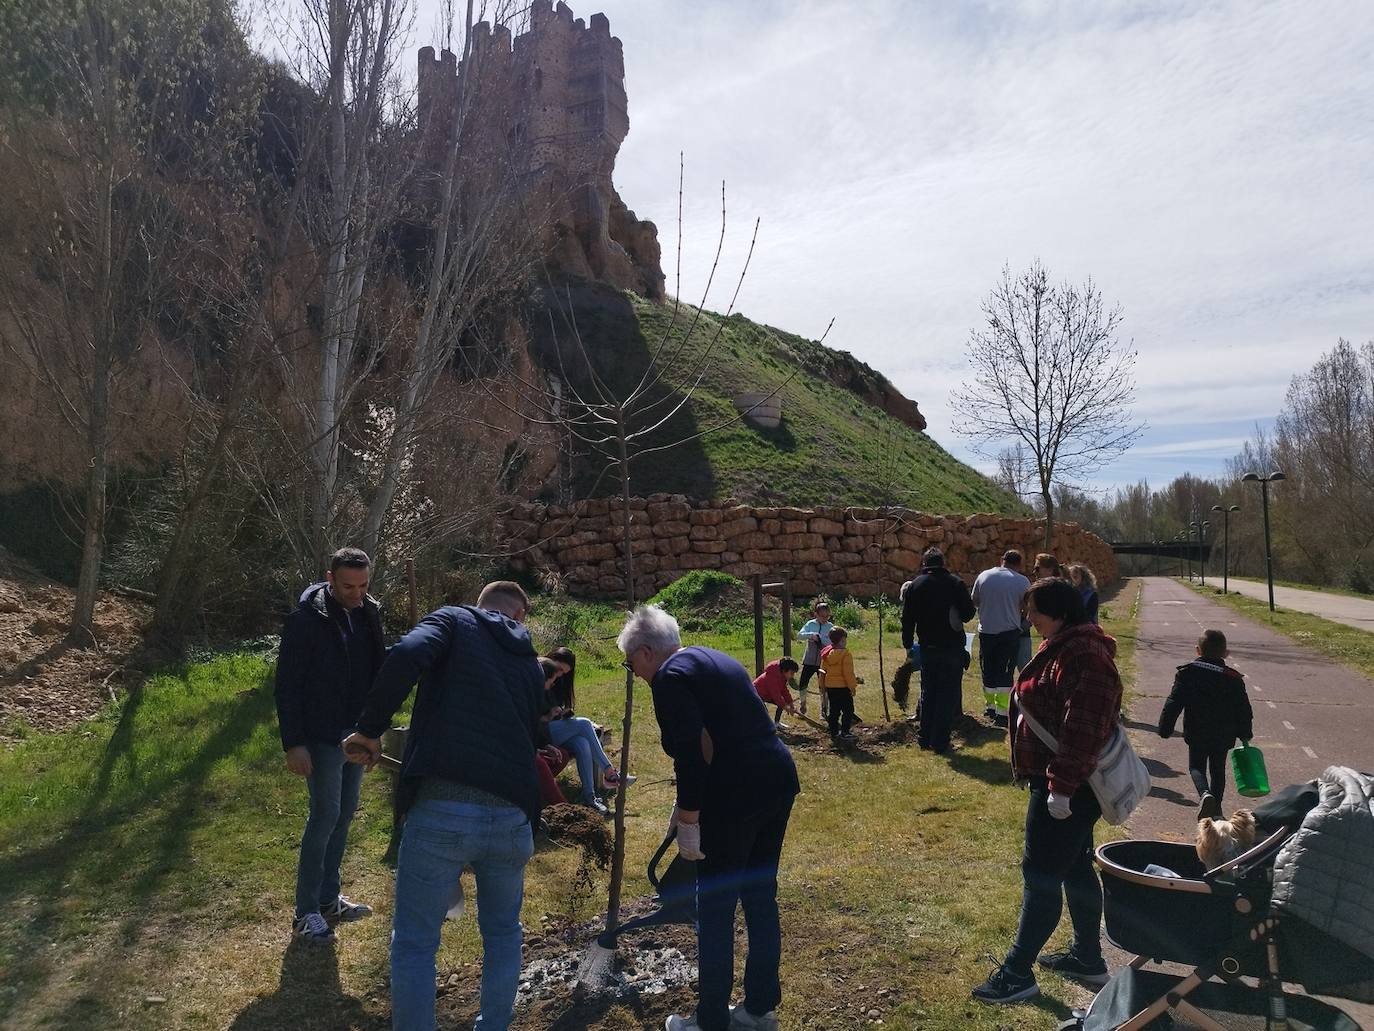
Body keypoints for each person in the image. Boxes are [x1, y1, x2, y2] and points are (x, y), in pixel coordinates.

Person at [341, 581, 545, 1031]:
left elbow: (408, 653)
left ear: (482, 605)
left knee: (415, 943)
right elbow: (537, 735)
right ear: (518, 616)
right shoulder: (529, 661)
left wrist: (370, 728)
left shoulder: (453, 620)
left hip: (443, 810)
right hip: (512, 817)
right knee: (503, 933)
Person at [618, 605, 800, 1031]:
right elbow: (711, 739)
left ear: (646, 653)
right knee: (759, 896)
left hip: (736, 795)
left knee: (715, 908)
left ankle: (711, 1020)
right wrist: (684, 806)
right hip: (776, 780)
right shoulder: (712, 658)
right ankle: (758, 1010)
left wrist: (689, 820)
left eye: (631, 666)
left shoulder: (669, 679)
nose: (636, 675)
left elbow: (691, 754)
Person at [973, 578, 1122, 1004]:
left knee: (1039, 877)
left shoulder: (1086, 656)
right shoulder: (1064, 643)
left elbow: (1082, 729)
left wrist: (1060, 788)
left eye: (1034, 609)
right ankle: (1088, 959)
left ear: (1058, 610)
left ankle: (1017, 974)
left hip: (1067, 787)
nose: (1028, 617)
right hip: (1065, 782)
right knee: (1075, 868)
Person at [273, 546, 384, 943]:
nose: (357, 593)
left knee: (345, 815)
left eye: (363, 585)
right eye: (348, 586)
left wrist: (373, 731)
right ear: (330, 578)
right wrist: (294, 743)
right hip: (320, 737)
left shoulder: (370, 612)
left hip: (358, 733)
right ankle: (305, 914)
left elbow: (377, 675)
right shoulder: (305, 620)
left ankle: (327, 898)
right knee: (325, 816)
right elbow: (287, 686)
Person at [1157, 629, 1253, 814]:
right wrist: (1245, 732)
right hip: (1224, 733)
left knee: (1196, 766)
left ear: (1198, 650)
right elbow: (1243, 708)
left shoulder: (1188, 673)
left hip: (1197, 729)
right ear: (1225, 653)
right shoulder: (1233, 679)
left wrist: (1165, 728)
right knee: (1218, 769)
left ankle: (1204, 794)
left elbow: (1174, 702)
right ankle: (1216, 808)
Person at [901, 547, 976, 754]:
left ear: (924, 564)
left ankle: (924, 738)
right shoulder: (955, 583)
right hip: (951, 646)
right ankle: (941, 741)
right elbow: (969, 613)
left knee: (928, 691)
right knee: (946, 694)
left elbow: (907, 618)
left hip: (927, 646)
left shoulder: (916, 585)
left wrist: (908, 644)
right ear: (943, 563)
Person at [538, 654, 632, 815]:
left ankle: (590, 798)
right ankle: (609, 773)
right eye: (559, 670)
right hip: (541, 734)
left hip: (550, 729)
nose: (560, 675)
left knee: (582, 742)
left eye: (564, 673)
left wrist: (559, 713)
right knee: (584, 724)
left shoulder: (555, 682)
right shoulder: (536, 681)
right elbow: (532, 718)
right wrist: (549, 715)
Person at [972, 550, 1030, 720]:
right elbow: (1027, 608)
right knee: (1005, 672)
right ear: (1019, 564)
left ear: (1001, 560)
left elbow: (975, 600)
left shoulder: (984, 576)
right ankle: (1003, 712)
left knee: (988, 670)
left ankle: (989, 707)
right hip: (1009, 633)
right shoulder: (1021, 581)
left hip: (986, 631)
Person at [819, 626, 861, 740]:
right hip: (843, 687)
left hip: (831, 687)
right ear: (842, 640)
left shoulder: (826, 653)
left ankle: (834, 732)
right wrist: (852, 686)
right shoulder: (845, 654)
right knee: (848, 710)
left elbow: (822, 671)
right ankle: (845, 731)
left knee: (834, 710)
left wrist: (822, 686)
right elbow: (848, 673)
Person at [796, 602, 833, 718]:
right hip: (809, 660)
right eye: (822, 616)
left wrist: (822, 640)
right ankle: (802, 705)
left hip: (823, 662)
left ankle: (824, 709)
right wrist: (811, 635)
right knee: (803, 683)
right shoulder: (810, 624)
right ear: (816, 614)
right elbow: (799, 635)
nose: (825, 618)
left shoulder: (830, 627)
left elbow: (832, 643)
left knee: (823, 686)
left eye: (827, 616)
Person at [752, 656, 799, 730]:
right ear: (784, 670)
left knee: (782, 702)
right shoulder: (772, 677)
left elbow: (784, 690)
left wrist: (790, 703)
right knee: (764, 712)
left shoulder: (782, 676)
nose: (792, 676)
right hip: (756, 694)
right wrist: (786, 707)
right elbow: (776, 695)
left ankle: (776, 724)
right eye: (792, 673)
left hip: (768, 694)